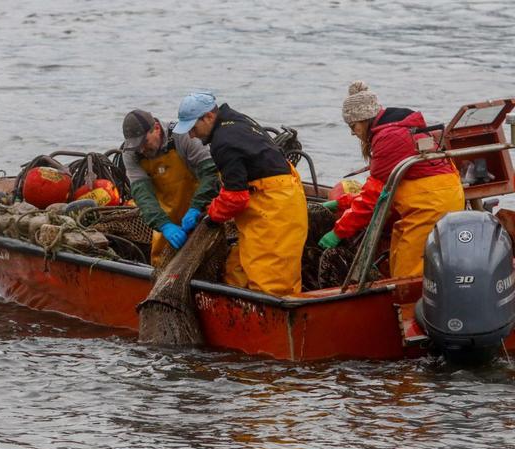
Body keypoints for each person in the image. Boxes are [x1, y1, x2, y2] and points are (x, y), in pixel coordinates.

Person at [318, 81, 465, 278]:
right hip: (435, 197)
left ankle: (408, 308)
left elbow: (373, 197)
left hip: (430, 206)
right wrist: (340, 203)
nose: (353, 133)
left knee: (408, 275)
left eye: (353, 126)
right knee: (397, 252)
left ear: (363, 120)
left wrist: (338, 231)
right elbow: (381, 191)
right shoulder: (398, 129)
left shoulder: (389, 138)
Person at [172, 92, 308, 296]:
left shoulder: (223, 143)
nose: (191, 136)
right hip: (271, 200)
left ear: (208, 116)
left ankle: (272, 325)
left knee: (271, 285)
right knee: (237, 272)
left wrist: (209, 216)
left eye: (193, 128)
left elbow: (236, 198)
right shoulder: (236, 120)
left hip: (275, 210)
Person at [121, 109, 220, 265]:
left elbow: (211, 174)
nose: (141, 150)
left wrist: (196, 208)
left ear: (157, 128)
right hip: (166, 215)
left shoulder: (184, 136)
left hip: (202, 209)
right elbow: (143, 195)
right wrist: (164, 225)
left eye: (144, 142)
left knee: (208, 258)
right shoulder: (130, 154)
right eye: (136, 146)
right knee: (161, 263)